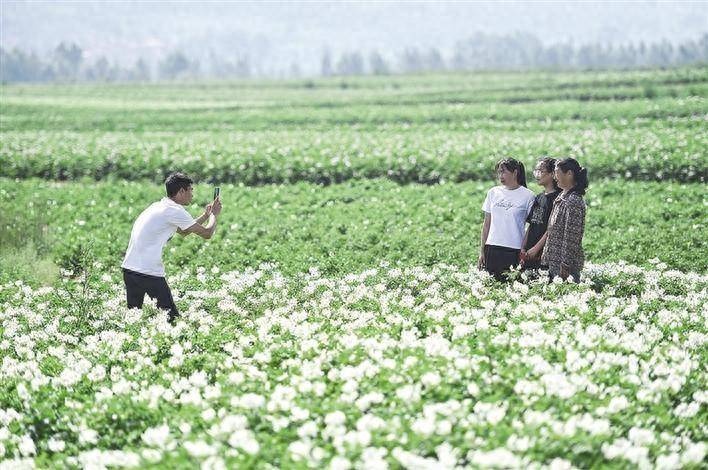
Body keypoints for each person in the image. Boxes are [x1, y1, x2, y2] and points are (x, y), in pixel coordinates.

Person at [121, 172, 222, 323]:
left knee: (133, 320)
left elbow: (184, 231)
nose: (192, 194)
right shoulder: (174, 210)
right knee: (172, 319)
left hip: (130, 269)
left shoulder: (159, 206)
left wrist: (205, 215)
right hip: (148, 272)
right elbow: (207, 234)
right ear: (181, 191)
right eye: (190, 190)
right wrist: (214, 215)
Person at [478, 158, 535, 281]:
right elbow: (486, 224)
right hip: (492, 247)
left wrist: (523, 249)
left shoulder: (528, 195)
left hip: (514, 249)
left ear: (515, 172)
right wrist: (482, 251)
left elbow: (532, 227)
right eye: (499, 172)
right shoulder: (493, 192)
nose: (500, 176)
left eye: (503, 172)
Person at [541, 158, 588, 282]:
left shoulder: (574, 201)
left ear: (569, 174)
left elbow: (571, 236)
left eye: (557, 172)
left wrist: (565, 263)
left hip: (564, 266)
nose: (555, 177)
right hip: (554, 261)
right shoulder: (562, 196)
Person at [521, 157, 560, 272]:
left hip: (543, 253)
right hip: (529, 252)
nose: (537, 175)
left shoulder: (557, 199)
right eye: (535, 171)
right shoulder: (538, 197)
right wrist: (523, 247)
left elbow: (551, 229)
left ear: (552, 174)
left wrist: (536, 249)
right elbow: (532, 225)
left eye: (540, 171)